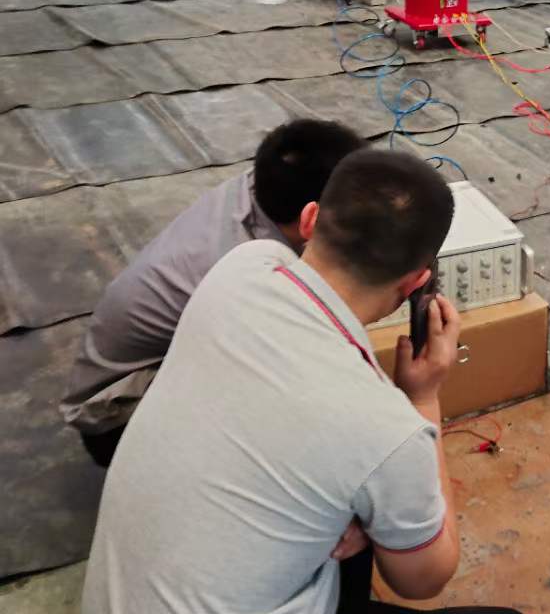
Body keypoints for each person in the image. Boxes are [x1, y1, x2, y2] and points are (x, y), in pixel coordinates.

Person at [81, 148, 547, 614]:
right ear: (416, 283)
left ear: (307, 221)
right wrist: (423, 398)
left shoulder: (241, 270)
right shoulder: (382, 428)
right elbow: (424, 577)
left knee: (351, 522)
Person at [61, 117, 363, 467]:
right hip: (116, 418)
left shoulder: (268, 185)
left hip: (143, 364)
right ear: (312, 217)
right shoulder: (249, 275)